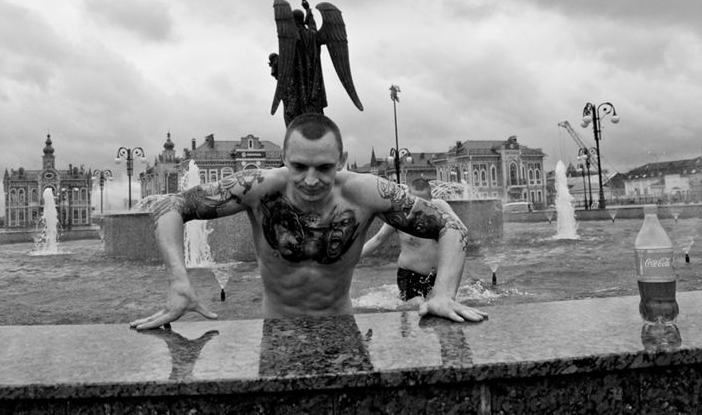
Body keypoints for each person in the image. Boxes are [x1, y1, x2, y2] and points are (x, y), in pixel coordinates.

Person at [130, 113, 487, 330]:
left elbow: (451, 227)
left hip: (342, 326)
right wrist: (180, 281)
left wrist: (442, 294)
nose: (312, 180)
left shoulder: (366, 193)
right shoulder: (260, 188)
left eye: (325, 167)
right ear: (284, 158)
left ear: (342, 160)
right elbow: (170, 206)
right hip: (277, 328)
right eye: (299, 166)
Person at [361, 177, 442, 301]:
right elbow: (378, 239)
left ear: (431, 199)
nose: (418, 207)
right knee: (413, 308)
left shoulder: (440, 214)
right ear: (408, 199)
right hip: (409, 276)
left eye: (424, 202)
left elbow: (457, 237)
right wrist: (351, 259)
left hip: (436, 276)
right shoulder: (400, 217)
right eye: (415, 201)